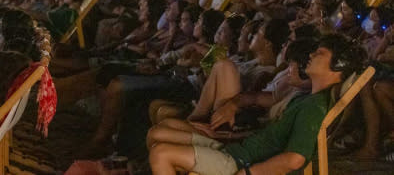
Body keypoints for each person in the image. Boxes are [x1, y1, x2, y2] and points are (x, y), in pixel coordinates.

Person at [146, 35, 365, 175]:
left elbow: (295, 159)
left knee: (161, 153)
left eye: (319, 54)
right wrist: (225, 137)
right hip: (239, 151)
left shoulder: (313, 108)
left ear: (337, 67)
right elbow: (270, 137)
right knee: (158, 134)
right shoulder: (304, 99)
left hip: (240, 162)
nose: (311, 55)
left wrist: (250, 173)